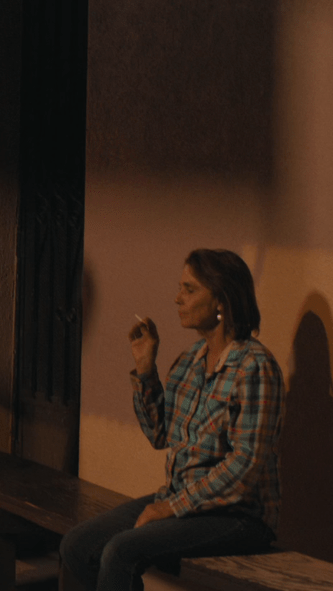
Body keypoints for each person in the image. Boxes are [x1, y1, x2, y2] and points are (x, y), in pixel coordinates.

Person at [60, 249, 284, 591]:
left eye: (189, 289)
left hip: (238, 516)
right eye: (180, 288)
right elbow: (160, 434)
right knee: (77, 545)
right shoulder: (190, 360)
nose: (177, 298)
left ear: (221, 300)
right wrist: (146, 369)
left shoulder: (254, 366)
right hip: (182, 499)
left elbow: (246, 465)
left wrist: (171, 508)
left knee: (120, 553)